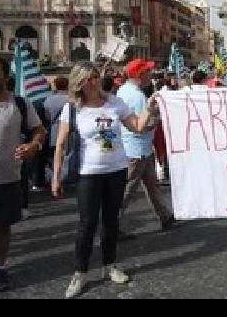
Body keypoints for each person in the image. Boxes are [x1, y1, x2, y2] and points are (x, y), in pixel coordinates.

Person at [51, 62, 159, 299]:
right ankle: (80, 273)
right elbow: (60, 144)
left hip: (117, 170)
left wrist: (150, 109)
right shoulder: (73, 109)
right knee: (87, 224)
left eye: (96, 77)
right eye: (88, 78)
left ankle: (110, 265)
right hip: (88, 173)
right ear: (78, 82)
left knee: (111, 222)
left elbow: (138, 127)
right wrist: (56, 176)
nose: (94, 82)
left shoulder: (115, 102)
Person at [0, 56, 46, 291]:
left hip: (7, 179)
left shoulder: (20, 104)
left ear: (6, 77)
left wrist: (33, 145)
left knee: (2, 226)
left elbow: (38, 130)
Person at [118, 59, 175, 239]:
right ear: (140, 75)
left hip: (139, 148)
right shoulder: (137, 96)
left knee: (152, 185)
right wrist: (160, 119)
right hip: (136, 150)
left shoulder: (124, 91)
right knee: (127, 191)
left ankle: (165, 215)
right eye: (148, 72)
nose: (151, 74)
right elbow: (144, 123)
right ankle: (112, 224)